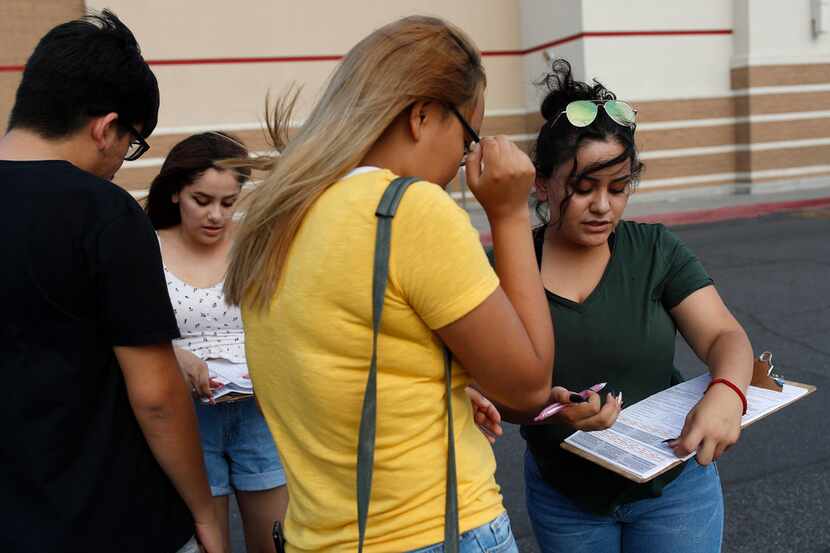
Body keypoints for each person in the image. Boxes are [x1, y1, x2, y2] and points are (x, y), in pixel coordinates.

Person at [223, 16, 556, 553]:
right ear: (422, 115)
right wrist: (511, 214)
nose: (463, 163)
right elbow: (528, 389)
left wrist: (442, 385)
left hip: (320, 537)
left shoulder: (280, 214)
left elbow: (337, 363)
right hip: (434, 531)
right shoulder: (407, 210)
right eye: (468, 137)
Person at [493, 59, 754, 553]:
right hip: (566, 499)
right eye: (583, 188)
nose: (603, 207)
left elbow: (725, 336)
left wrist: (726, 394)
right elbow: (490, 392)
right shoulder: (508, 262)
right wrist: (547, 409)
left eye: (618, 188)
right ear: (542, 185)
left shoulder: (654, 249)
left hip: (674, 489)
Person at [0, 11, 222, 553]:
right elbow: (156, 396)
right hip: (111, 520)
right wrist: (204, 511)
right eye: (132, 143)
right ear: (106, 127)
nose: (124, 159)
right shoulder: (105, 215)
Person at [145, 131, 288, 553]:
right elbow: (128, 334)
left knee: (277, 543)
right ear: (175, 194)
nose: (216, 216)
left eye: (228, 203)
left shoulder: (251, 247)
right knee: (207, 544)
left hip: (257, 412)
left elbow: (281, 323)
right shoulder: (144, 248)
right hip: (183, 419)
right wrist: (176, 356)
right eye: (202, 200)